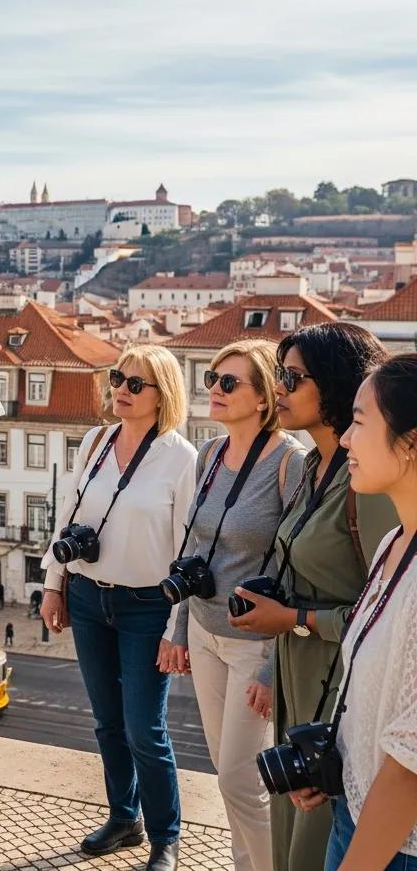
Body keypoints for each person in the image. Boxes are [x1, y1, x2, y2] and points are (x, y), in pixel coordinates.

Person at [227, 323, 398, 871]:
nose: (279, 387)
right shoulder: (308, 466)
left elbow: (385, 617)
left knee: (313, 842)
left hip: (341, 686)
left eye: (292, 377)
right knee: (288, 834)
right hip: (297, 676)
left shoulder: (367, 488)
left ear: (336, 386)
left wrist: (294, 618)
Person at [40, 344, 197, 871]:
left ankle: (165, 838)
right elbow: (69, 513)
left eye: (136, 384)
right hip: (87, 597)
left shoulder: (182, 459)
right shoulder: (95, 441)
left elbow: (185, 552)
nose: (121, 391)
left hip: (147, 607)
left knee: (143, 729)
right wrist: (54, 583)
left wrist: (178, 629)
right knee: (107, 722)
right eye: (117, 379)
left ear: (163, 395)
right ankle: (123, 817)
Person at [170, 340, 305, 871]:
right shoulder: (207, 455)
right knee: (230, 777)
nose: (215, 391)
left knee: (239, 777)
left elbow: (295, 567)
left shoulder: (289, 463)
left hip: (255, 645)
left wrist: (273, 667)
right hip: (204, 631)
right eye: (212, 380)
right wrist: (179, 630)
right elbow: (195, 549)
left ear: (266, 395)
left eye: (230, 383)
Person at [291, 354, 417, 870]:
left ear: (410, 443)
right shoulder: (394, 542)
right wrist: (337, 764)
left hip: (397, 847)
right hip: (356, 813)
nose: (344, 440)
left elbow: (411, 762)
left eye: (360, 422)